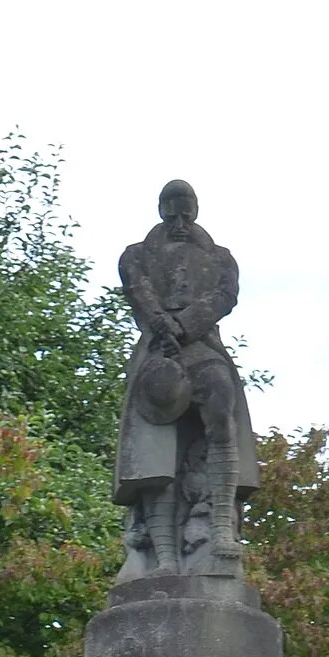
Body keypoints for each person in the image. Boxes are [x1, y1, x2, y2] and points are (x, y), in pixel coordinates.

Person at [113, 179, 260, 575]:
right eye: (170, 208)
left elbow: (224, 297)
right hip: (156, 349)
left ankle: (220, 529)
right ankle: (162, 557)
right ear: (160, 209)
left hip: (200, 344)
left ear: (196, 209)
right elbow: (138, 291)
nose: (178, 218)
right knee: (155, 449)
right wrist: (164, 326)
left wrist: (185, 325)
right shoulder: (136, 255)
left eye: (185, 209)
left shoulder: (221, 258)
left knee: (220, 405)